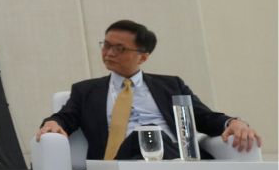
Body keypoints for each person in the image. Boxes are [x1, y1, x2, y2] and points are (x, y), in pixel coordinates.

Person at [36, 20, 260, 160]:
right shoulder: (86, 91)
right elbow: (64, 117)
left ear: (143, 56)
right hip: (117, 161)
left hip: (173, 156)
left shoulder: (171, 86)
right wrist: (52, 123)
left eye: (119, 48)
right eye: (106, 45)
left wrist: (234, 122)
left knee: (152, 137)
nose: (109, 53)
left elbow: (203, 118)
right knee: (146, 134)